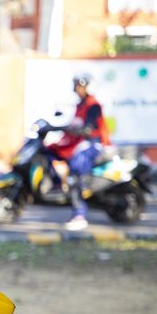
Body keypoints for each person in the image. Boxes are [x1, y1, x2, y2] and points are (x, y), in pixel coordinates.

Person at [52, 73, 110, 231]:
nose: (77, 89)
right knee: (50, 151)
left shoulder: (93, 105)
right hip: (80, 143)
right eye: (76, 86)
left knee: (75, 172)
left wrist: (79, 130)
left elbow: (88, 128)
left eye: (80, 86)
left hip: (93, 144)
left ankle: (80, 214)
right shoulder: (80, 106)